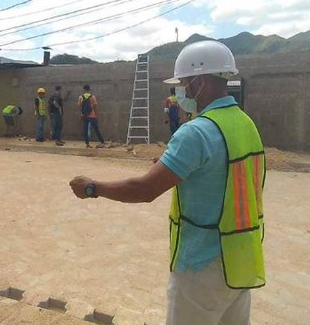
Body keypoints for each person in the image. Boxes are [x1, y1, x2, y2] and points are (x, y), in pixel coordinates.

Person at [69, 40, 266, 325]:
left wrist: (93, 187)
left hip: (202, 266)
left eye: (183, 83)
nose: (180, 91)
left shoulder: (196, 132)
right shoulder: (245, 123)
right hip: (239, 259)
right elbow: (222, 174)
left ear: (198, 82)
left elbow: (144, 189)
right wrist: (175, 168)